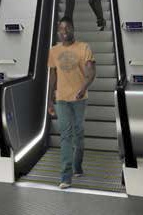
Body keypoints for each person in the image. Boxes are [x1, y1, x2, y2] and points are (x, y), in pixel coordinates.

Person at [47, 19, 95, 189]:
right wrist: (49, 100)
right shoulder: (54, 51)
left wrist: (83, 88)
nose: (64, 31)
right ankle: (65, 176)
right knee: (65, 135)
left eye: (67, 27)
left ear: (73, 29)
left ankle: (77, 165)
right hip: (61, 99)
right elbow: (52, 76)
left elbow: (91, 72)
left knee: (78, 135)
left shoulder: (84, 48)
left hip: (79, 99)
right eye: (60, 28)